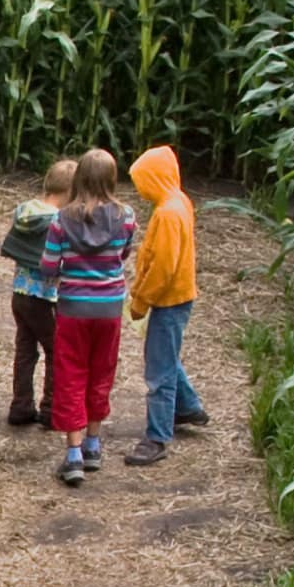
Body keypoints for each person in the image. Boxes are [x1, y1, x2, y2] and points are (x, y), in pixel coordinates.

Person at [38, 148, 137, 486]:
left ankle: (74, 454)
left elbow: (49, 266)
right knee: (101, 371)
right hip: (110, 308)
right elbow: (123, 253)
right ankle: (94, 444)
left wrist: (61, 269)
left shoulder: (61, 220)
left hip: (72, 309)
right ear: (112, 179)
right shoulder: (126, 216)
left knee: (71, 374)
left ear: (78, 178)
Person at [125, 146, 208, 464]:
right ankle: (187, 407)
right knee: (166, 355)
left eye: (140, 181)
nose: (137, 188)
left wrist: (141, 301)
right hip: (177, 297)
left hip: (167, 299)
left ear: (154, 179)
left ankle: (156, 437)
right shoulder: (178, 202)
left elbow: (163, 267)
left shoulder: (167, 214)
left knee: (158, 370)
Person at [1, 158, 77, 427]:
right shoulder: (57, 221)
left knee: (25, 350)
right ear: (71, 193)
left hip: (20, 294)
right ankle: (50, 408)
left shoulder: (24, 211)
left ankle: (20, 405)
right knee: (56, 350)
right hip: (44, 298)